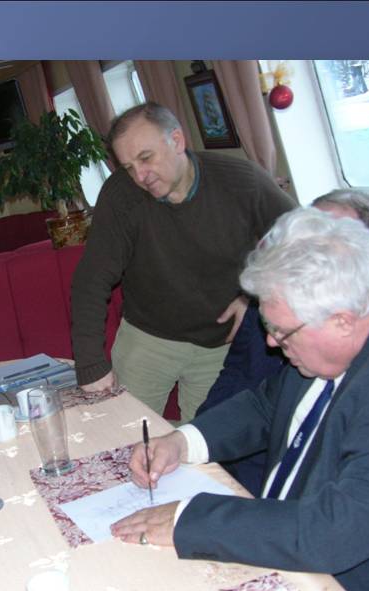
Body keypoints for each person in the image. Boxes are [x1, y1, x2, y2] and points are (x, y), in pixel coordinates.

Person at [111, 208, 369, 591]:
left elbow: (332, 533)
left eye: (280, 331)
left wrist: (188, 520)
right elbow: (267, 404)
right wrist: (183, 441)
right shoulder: (349, 333)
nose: (272, 343)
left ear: (342, 319)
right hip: (298, 544)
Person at [70, 101, 296, 422]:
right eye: (129, 167)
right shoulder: (121, 195)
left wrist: (254, 295)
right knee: (125, 432)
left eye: (146, 158)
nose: (140, 176)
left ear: (176, 140)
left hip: (219, 344)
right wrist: (91, 365)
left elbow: (298, 238)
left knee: (202, 441)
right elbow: (91, 280)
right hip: (146, 340)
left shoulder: (241, 181)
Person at [198, 189, 369, 494]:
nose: (308, 246)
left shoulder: (365, 335)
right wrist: (196, 435)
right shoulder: (271, 300)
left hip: (279, 466)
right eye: (311, 226)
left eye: (330, 236)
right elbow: (238, 375)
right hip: (233, 439)